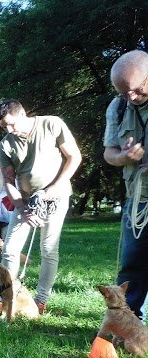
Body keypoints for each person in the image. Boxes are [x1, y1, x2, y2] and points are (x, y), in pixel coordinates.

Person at [0, 100, 81, 316]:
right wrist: (23, 209)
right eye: (4, 127)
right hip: (25, 202)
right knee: (10, 249)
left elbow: (74, 157)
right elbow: (8, 182)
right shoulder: (5, 144)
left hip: (56, 198)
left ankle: (40, 300)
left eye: (12, 124)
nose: (9, 130)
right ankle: (3, 297)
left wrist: (51, 190)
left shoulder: (51, 124)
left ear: (23, 114)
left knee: (48, 249)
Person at [104, 50, 148, 318]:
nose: (130, 97)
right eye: (123, 93)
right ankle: (128, 322)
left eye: (135, 90)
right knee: (131, 266)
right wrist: (123, 156)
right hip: (137, 200)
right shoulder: (118, 107)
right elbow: (109, 154)